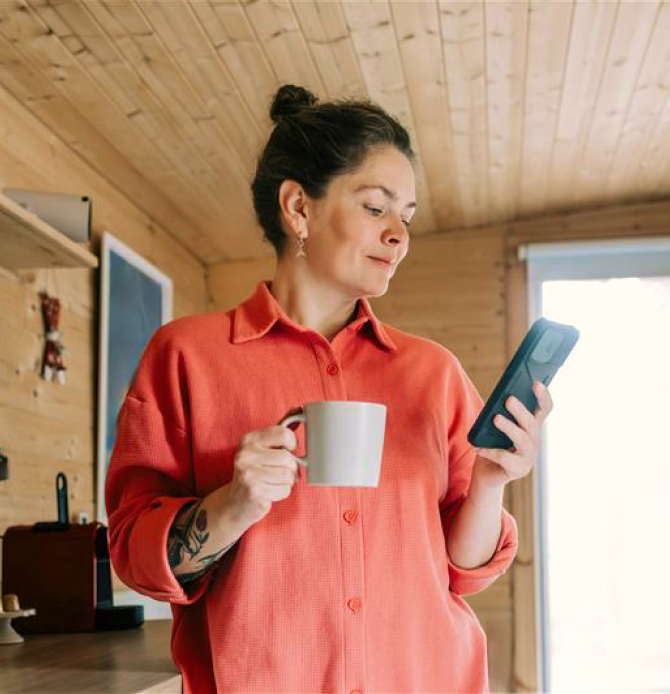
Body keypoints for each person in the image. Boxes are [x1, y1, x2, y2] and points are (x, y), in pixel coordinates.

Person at [106, 84, 554, 693]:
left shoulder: (434, 372)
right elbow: (136, 555)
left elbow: (464, 573)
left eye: (408, 217)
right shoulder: (186, 356)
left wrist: (490, 483)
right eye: (376, 208)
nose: (400, 234)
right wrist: (234, 503)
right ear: (299, 208)